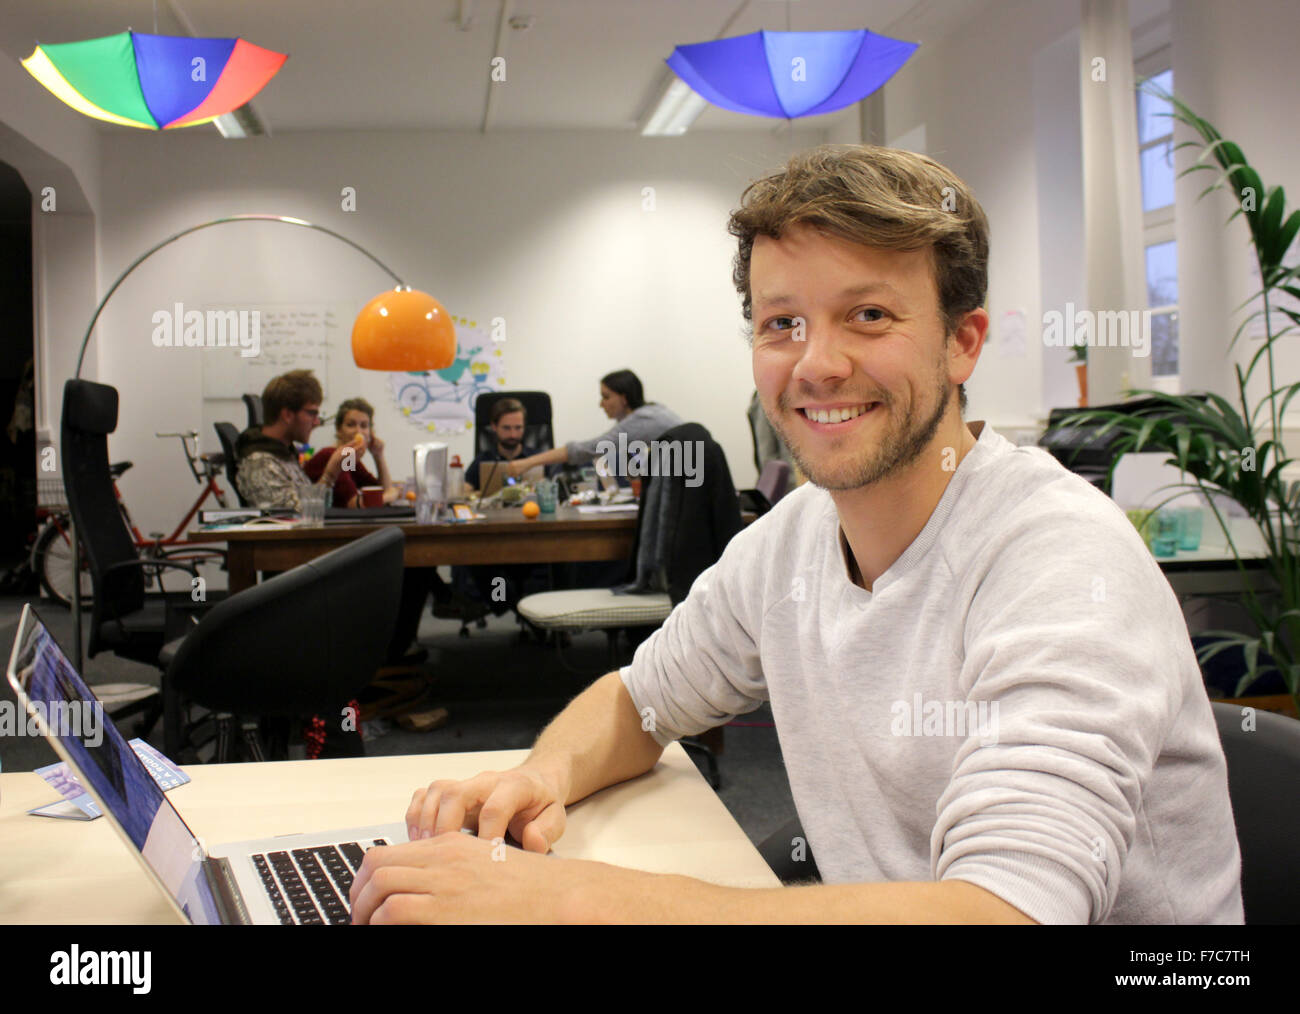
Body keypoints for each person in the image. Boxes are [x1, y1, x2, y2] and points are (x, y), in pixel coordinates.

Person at [349, 145, 1243, 925]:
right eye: (783, 323)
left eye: (870, 315)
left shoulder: (1060, 560)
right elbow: (639, 698)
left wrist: (574, 900)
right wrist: (539, 779)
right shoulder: (793, 539)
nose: (816, 364)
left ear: (964, 343)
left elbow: (1000, 913)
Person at [500, 370, 682, 480]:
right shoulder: (651, 413)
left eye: (606, 396)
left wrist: (528, 463)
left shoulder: (641, 421)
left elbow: (585, 450)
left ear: (624, 398)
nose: (601, 403)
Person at [233, 370, 352, 510]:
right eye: (312, 414)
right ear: (287, 415)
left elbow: (318, 510)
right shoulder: (260, 462)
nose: (316, 422)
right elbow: (299, 516)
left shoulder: (284, 454)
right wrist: (330, 474)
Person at [302, 398, 399, 507]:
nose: (358, 431)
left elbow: (380, 491)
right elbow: (354, 504)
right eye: (351, 425)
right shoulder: (330, 454)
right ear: (339, 430)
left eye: (364, 426)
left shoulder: (351, 461)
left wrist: (378, 456)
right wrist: (390, 495)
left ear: (370, 433)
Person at [465, 397, 541, 491]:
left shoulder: (538, 459)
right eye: (506, 428)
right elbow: (465, 488)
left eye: (518, 428)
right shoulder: (483, 459)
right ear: (494, 426)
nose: (513, 435)